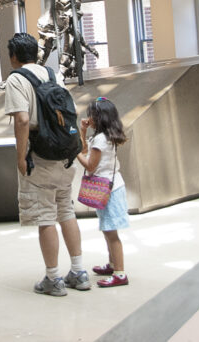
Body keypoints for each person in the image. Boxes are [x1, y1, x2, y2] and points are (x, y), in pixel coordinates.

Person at [3, 32, 89, 296]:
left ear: (14, 56)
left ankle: (53, 278)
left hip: (40, 156)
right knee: (66, 210)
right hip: (64, 154)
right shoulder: (53, 75)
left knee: (45, 216)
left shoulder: (17, 79)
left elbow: (21, 120)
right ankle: (78, 271)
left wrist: (20, 157)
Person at [76, 97, 130, 287]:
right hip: (112, 187)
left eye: (91, 114)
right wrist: (82, 132)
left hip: (108, 190)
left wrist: (75, 153)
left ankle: (120, 273)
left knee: (111, 233)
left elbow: (90, 166)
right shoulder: (106, 136)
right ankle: (113, 264)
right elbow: (86, 149)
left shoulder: (100, 139)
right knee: (108, 230)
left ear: (99, 117)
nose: (88, 118)